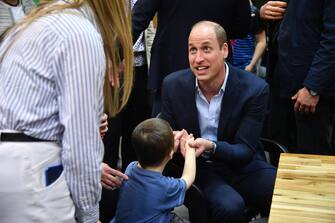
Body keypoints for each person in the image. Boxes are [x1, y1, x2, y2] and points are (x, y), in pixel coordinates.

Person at [0, 0, 134, 222]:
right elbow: (80, 145)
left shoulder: (36, 23)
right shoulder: (80, 33)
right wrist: (90, 215)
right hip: (33, 172)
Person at [161, 21, 276, 223]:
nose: (198, 59)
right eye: (192, 50)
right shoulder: (172, 85)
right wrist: (173, 139)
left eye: (206, 49)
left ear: (224, 50)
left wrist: (211, 146)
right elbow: (163, 130)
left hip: (243, 164)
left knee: (287, 191)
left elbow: (245, 150)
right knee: (230, 207)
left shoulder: (255, 89)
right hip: (200, 168)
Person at [132, 0, 251, 116]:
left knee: (165, 133)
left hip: (172, 67)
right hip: (213, 72)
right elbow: (241, 27)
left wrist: (116, 56)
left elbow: (138, 19)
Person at [269, 0, 335, 154]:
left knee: (312, 156)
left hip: (310, 88)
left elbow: (332, 40)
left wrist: (313, 87)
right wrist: (264, 13)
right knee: (279, 149)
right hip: (280, 78)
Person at [112, 118, 196, 223]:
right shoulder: (165, 187)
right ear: (170, 153)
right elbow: (188, 178)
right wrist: (190, 149)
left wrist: (168, 146)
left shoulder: (131, 168)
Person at [232, 0, 266, 76]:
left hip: (246, 66)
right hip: (227, 66)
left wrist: (251, 65)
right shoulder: (225, 11)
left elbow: (262, 41)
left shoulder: (253, 12)